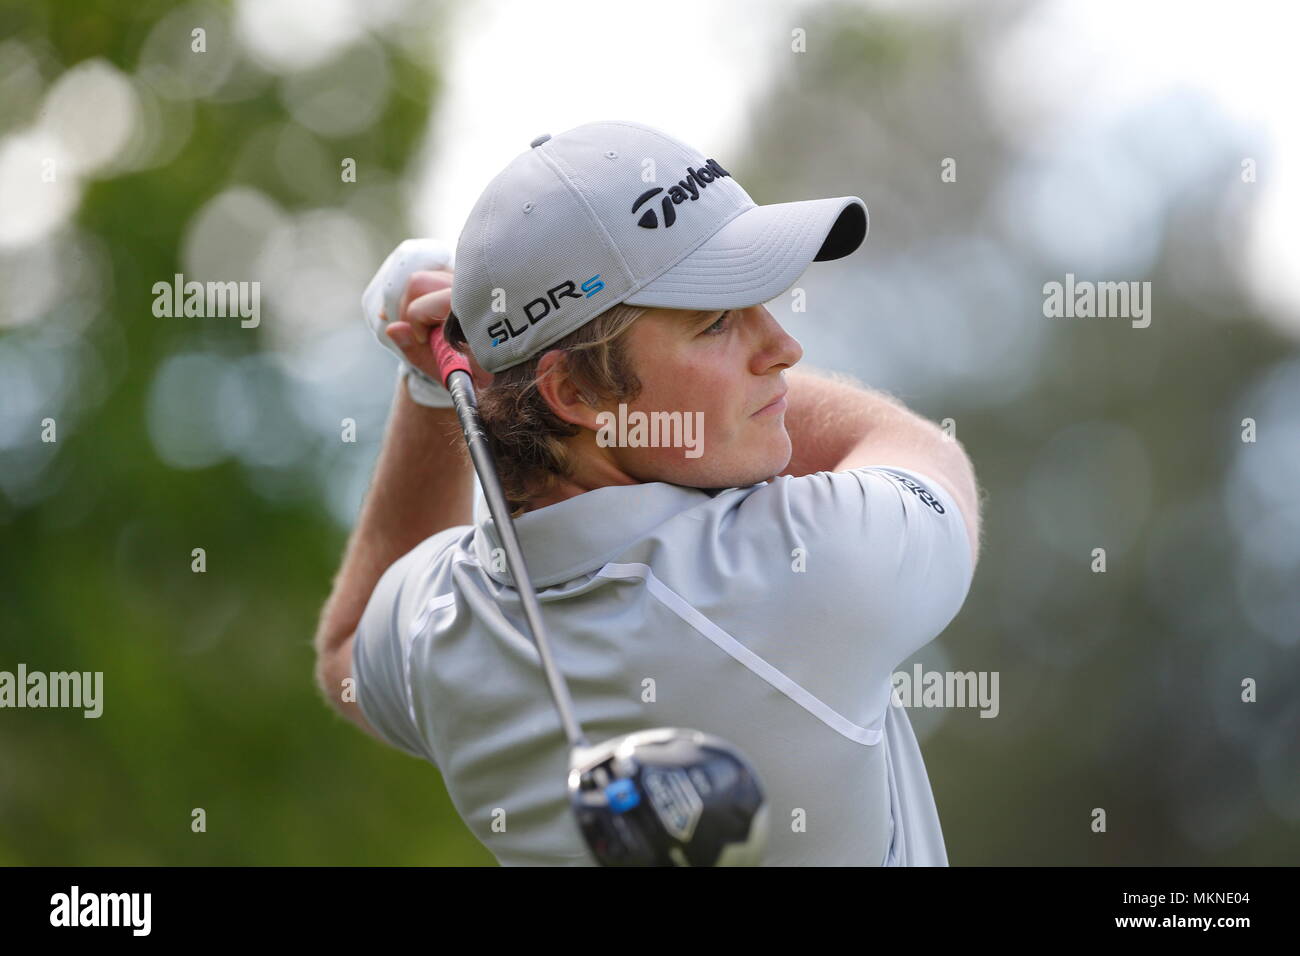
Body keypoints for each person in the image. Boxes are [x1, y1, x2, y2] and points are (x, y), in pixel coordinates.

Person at [313, 120, 982, 865]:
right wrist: (470, 372)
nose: (784, 349)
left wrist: (437, 385)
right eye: (718, 322)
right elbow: (924, 452)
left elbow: (345, 650)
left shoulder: (438, 623)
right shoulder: (809, 566)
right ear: (572, 390)